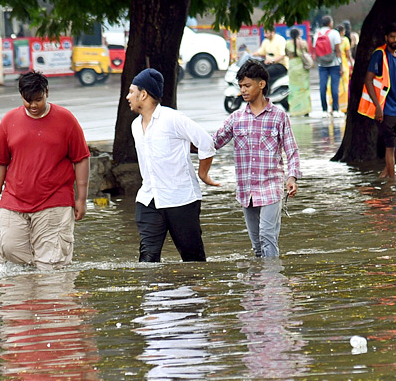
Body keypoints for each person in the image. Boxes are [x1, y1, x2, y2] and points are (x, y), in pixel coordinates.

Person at [0, 70, 90, 270]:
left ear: (47, 92)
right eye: (28, 100)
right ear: (20, 96)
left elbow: (81, 159)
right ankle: (29, 292)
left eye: (38, 99)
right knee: (10, 252)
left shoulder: (66, 119)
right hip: (13, 200)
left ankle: (48, 289)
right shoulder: (9, 120)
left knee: (52, 266)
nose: (33, 105)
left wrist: (81, 199)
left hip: (55, 201)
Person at [207, 59, 301, 259]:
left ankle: (273, 285)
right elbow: (213, 142)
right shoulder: (236, 118)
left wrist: (292, 178)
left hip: (271, 187)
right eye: (241, 86)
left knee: (268, 236)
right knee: (257, 245)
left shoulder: (278, 116)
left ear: (261, 84)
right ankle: (260, 286)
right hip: (246, 189)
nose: (243, 90)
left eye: (247, 85)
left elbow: (291, 150)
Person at [127, 67, 218, 262]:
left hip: (181, 198)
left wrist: (203, 173)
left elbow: (206, 142)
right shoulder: (135, 125)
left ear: (143, 94)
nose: (128, 97)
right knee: (147, 259)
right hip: (149, 199)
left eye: (131, 92)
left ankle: (195, 292)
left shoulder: (173, 119)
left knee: (193, 259)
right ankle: (153, 292)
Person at [359, 23, 396, 180]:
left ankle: (386, 173)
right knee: (390, 146)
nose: (395, 39)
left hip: (395, 108)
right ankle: (391, 182)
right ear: (386, 38)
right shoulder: (379, 54)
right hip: (383, 109)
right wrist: (378, 106)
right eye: (392, 36)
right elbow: (368, 80)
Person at [279, 27, 312, 116]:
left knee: (294, 90)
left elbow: (286, 54)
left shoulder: (287, 44)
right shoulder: (303, 43)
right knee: (304, 89)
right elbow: (307, 52)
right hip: (302, 67)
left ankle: (294, 110)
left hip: (292, 67)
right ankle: (305, 110)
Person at [314, 14, 342, 115]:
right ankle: (335, 110)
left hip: (322, 64)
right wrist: (341, 65)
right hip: (334, 63)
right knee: (334, 87)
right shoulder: (334, 33)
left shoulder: (317, 34)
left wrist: (320, 61)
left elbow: (315, 51)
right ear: (330, 23)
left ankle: (324, 110)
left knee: (322, 87)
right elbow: (338, 51)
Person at [337, 22, 354, 110]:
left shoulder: (333, 40)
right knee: (344, 85)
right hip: (344, 64)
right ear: (342, 32)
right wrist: (352, 64)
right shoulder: (345, 40)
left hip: (335, 64)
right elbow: (348, 55)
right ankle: (344, 107)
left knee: (336, 85)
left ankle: (335, 106)